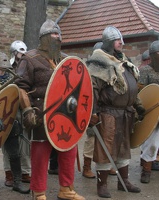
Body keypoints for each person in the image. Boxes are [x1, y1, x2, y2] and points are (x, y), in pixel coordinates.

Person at [15, 19, 85, 200]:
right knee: (40, 152)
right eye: (53, 34)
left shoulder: (65, 60)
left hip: (67, 112)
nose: (57, 37)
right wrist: (27, 110)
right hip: (41, 113)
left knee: (69, 150)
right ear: (43, 38)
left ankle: (66, 189)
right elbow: (21, 86)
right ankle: (38, 191)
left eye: (59, 35)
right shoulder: (29, 59)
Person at [86, 25, 143, 198]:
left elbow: (131, 86)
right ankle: (101, 185)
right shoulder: (99, 61)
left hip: (125, 112)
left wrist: (138, 105)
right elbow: (93, 89)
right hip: (108, 113)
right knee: (105, 149)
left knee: (124, 147)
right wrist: (93, 112)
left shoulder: (122, 60)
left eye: (121, 40)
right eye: (118, 40)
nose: (121, 43)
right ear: (109, 42)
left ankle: (123, 181)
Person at [0, 51, 30, 194]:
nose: (4, 68)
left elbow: (15, 99)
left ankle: (17, 181)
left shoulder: (11, 78)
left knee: (14, 153)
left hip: (9, 120)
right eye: (1, 65)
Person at [82, 41, 116, 179]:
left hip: (107, 108)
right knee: (91, 138)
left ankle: (107, 166)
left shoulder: (109, 68)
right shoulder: (89, 70)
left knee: (108, 138)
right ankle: (87, 167)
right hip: (92, 107)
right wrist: (92, 110)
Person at [3, 40, 31, 185]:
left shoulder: (28, 67)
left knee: (25, 139)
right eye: (20, 52)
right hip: (9, 108)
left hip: (23, 106)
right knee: (8, 139)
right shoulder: (7, 68)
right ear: (14, 52)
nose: (23, 55)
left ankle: (25, 172)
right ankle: (9, 174)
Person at [138, 40, 159, 184]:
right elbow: (141, 93)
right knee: (150, 143)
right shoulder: (145, 71)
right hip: (152, 111)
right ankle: (146, 170)